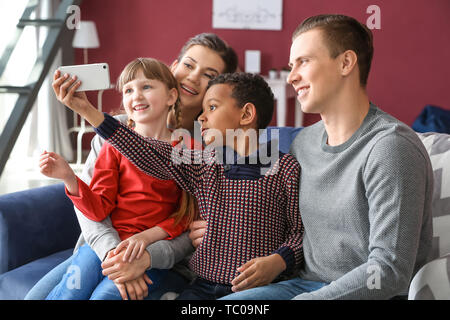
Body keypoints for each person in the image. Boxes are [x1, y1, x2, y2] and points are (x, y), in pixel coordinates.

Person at [217, 14, 434, 300]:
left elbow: (389, 270)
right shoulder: (303, 143)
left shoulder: (391, 147)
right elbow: (278, 220)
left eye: (304, 62)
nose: (292, 76)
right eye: (291, 65)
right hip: (300, 285)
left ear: (346, 63)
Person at [51, 71, 304, 300]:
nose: (202, 117)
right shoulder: (203, 163)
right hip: (202, 286)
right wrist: (87, 111)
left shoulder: (286, 169)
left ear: (246, 114)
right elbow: (145, 150)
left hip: (258, 289)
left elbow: (299, 233)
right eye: (203, 109)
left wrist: (279, 261)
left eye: (212, 107)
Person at [24, 33, 238, 300]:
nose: (193, 77)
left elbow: (191, 220)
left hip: (164, 258)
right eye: (189, 65)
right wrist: (117, 256)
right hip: (105, 249)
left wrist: (144, 255)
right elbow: (95, 208)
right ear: (173, 68)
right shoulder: (117, 131)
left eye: (208, 74)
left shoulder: (208, 147)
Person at [39, 58, 197, 300]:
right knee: (69, 293)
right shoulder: (113, 147)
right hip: (105, 248)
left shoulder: (188, 150)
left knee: (105, 297)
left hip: (152, 252)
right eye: (128, 90)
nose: (136, 96)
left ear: (171, 96)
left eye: (146, 87)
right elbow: (99, 207)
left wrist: (145, 239)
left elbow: (187, 213)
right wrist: (69, 178)